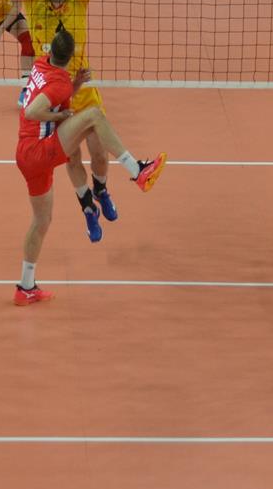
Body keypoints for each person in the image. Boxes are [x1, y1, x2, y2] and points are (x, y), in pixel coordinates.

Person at [15, 29, 167, 306]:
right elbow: (32, 111)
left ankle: (25, 287)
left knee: (41, 221)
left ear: (50, 51)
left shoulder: (41, 64)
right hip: (39, 150)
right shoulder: (59, 84)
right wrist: (61, 114)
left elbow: (50, 94)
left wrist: (73, 86)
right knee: (95, 115)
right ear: (71, 57)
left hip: (25, 154)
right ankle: (137, 171)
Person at [7, 0, 119, 243]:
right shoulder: (33, 2)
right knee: (72, 158)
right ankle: (87, 209)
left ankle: (101, 190)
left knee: (99, 154)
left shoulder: (78, 0)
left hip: (84, 91)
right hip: (55, 96)